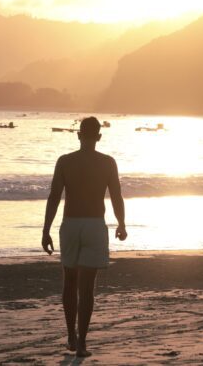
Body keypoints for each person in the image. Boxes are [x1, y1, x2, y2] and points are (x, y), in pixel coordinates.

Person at [42, 116, 127, 358]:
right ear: (99, 136)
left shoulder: (65, 161)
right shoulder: (108, 163)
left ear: (79, 135)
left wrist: (45, 230)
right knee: (87, 288)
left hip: (70, 224)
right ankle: (81, 344)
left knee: (69, 281)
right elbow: (117, 196)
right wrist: (121, 224)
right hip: (94, 225)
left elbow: (54, 197)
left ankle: (70, 335)